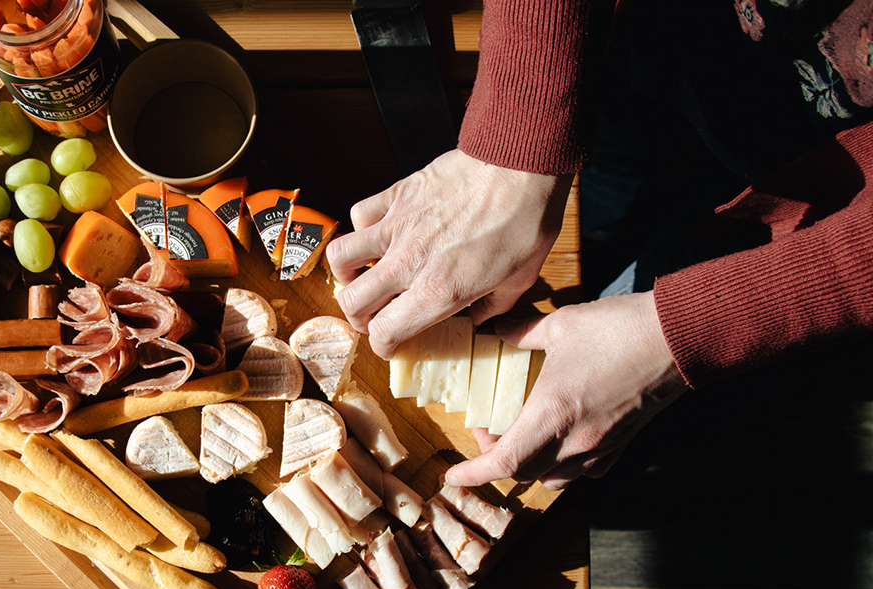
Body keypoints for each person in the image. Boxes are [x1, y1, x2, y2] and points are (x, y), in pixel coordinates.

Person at [325, 0, 873, 490]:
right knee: (601, 225)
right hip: (637, 62)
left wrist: (683, 333)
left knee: (655, 428)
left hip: (826, 234)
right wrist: (521, 131)